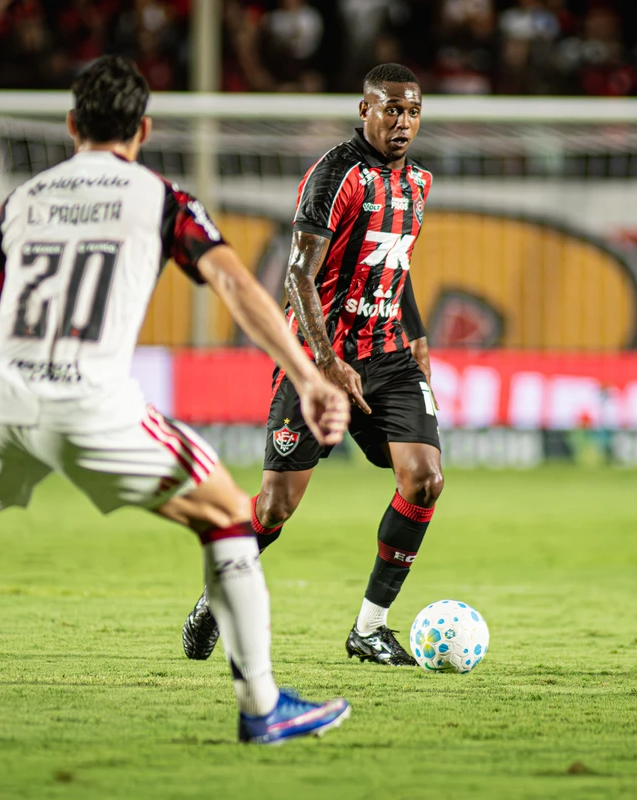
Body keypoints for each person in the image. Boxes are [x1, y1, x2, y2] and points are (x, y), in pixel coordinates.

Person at [0, 56, 352, 746]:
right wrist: (306, 376)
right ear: (143, 129)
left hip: (2, 399)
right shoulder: (162, 199)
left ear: (71, 126)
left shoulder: (22, 203)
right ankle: (262, 705)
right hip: (91, 402)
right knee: (229, 520)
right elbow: (238, 287)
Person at [183, 63, 442, 667]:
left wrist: (419, 338)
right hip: (315, 360)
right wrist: (325, 363)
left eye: (411, 111)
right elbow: (297, 275)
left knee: (425, 477)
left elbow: (392, 267)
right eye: (390, 109)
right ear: (364, 111)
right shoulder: (334, 175)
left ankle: (370, 629)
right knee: (275, 507)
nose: (402, 122)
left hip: (388, 357)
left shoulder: (419, 184)